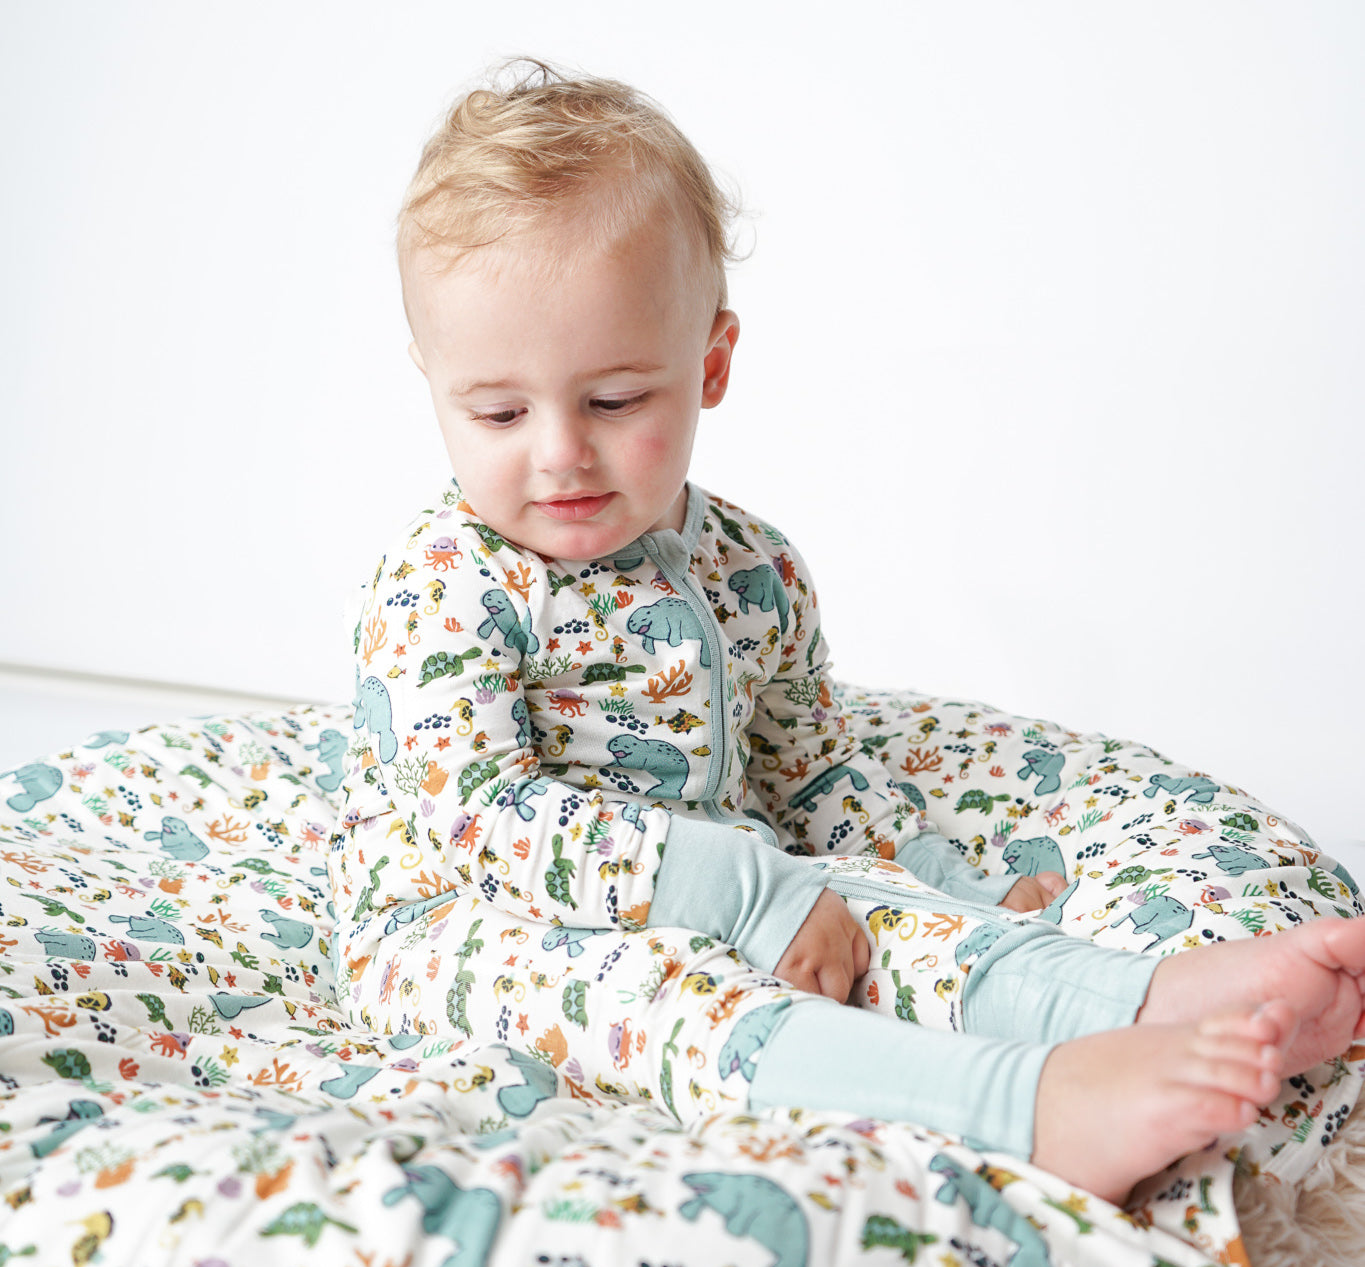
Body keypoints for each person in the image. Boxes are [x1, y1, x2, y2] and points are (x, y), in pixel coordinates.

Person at [328, 59, 1365, 1204]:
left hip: (729, 875)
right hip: (471, 921)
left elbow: (805, 759)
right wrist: (750, 896)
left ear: (710, 363)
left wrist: (931, 878)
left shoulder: (752, 567)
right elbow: (482, 816)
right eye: (500, 411)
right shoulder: (442, 584)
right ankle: (1030, 1109)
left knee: (872, 928)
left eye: (615, 400)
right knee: (673, 998)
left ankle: (1144, 998)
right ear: (434, 385)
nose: (561, 449)